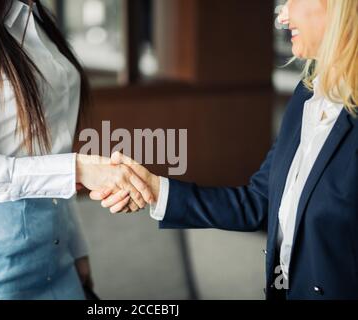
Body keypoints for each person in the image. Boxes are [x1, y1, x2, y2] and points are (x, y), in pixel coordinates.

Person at [94, 0, 358, 300]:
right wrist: (155, 189)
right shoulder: (307, 95)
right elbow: (259, 202)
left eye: (292, 0)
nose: (282, 16)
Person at [0, 0, 152, 299]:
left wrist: (76, 247)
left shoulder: (36, 17)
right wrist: (79, 168)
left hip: (56, 259)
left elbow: (51, 153)